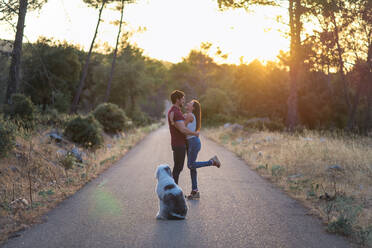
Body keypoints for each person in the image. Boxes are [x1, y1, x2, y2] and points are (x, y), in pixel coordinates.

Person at [183, 99, 221, 199]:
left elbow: (182, 128)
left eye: (190, 103)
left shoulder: (190, 115)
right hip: (193, 142)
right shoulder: (189, 115)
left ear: (193, 108)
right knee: (192, 168)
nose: (187, 103)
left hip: (193, 142)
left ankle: (212, 162)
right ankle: (195, 191)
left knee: (191, 165)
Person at [167, 90, 199, 185]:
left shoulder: (175, 111)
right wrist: (194, 133)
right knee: (178, 168)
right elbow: (183, 129)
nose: (184, 101)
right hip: (179, 144)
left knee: (178, 168)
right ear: (177, 100)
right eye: (183, 99)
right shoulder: (175, 112)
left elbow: (181, 126)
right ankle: (173, 192)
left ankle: (173, 190)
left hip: (179, 143)